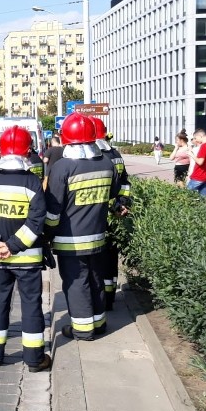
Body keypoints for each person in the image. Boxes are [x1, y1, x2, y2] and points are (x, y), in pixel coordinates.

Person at [0, 125, 53, 372]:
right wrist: (13, 246)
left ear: (0, 151)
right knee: (31, 306)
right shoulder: (31, 182)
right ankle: (35, 359)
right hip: (26, 258)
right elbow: (37, 221)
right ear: (27, 152)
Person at [47, 113, 124, 340]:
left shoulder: (62, 168)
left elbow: (53, 211)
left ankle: (82, 329)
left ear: (66, 138)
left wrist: (47, 234)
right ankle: (99, 323)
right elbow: (113, 194)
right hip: (98, 236)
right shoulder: (107, 162)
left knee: (76, 282)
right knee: (95, 278)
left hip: (70, 240)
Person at [90, 117, 131, 311]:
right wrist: (122, 204)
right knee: (111, 256)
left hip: (95, 215)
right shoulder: (115, 155)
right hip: (114, 214)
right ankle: (110, 295)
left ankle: (99, 299)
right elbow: (125, 183)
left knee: (97, 259)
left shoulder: (93, 157)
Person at [186, 129, 206, 197]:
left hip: (198, 176)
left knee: (186, 194)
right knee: (203, 199)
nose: (195, 140)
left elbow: (200, 162)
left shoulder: (204, 146)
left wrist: (191, 154)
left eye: (195, 138)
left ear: (200, 136)